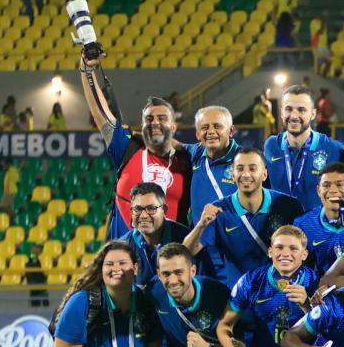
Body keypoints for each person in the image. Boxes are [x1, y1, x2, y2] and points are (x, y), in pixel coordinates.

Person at [81, 49, 192, 239]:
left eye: (161, 118)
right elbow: (101, 113)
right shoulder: (127, 147)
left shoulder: (187, 161)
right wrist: (87, 70)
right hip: (125, 254)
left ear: (174, 127)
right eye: (149, 119)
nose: (155, 122)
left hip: (168, 255)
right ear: (142, 126)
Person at [183, 148, 304, 287]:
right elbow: (186, 252)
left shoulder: (288, 205)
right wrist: (201, 225)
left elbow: (304, 251)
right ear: (233, 175)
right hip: (239, 296)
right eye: (240, 169)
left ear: (264, 174)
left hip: (279, 292)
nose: (246, 174)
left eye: (252, 169)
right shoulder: (220, 210)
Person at [262, 84, 344, 211]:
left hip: (316, 223)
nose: (294, 116)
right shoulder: (271, 146)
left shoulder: (334, 149)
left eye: (301, 110)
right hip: (280, 223)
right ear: (281, 112)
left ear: (313, 114)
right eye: (288, 109)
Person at [120, 183, 192, 287]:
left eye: (151, 208)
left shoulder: (186, 240)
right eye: (138, 209)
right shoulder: (123, 247)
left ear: (164, 210)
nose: (144, 216)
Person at [188, 105, 239, 224]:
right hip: (200, 235)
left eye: (217, 126)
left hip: (237, 234)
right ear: (198, 134)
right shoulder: (194, 155)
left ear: (231, 131)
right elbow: (170, 144)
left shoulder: (247, 159)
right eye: (205, 127)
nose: (211, 131)